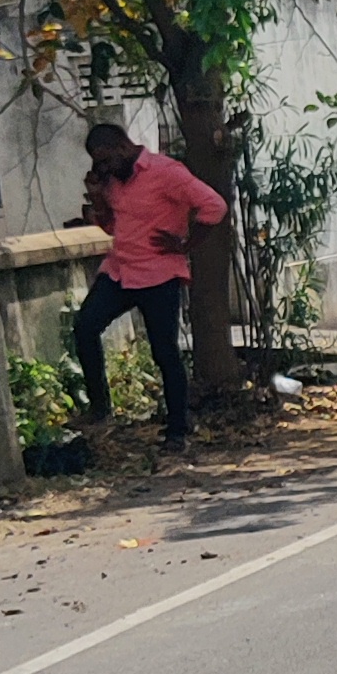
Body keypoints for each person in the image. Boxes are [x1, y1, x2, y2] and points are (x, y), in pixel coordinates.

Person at [74, 119, 224, 449]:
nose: (102, 167)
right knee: (84, 327)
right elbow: (112, 227)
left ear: (123, 147)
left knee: (164, 352)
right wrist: (98, 197)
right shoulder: (112, 180)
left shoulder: (166, 172)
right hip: (120, 270)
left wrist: (186, 244)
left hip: (159, 274)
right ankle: (100, 408)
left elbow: (214, 205)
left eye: (105, 160)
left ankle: (178, 429)